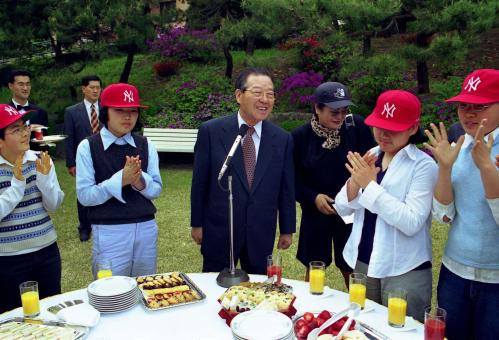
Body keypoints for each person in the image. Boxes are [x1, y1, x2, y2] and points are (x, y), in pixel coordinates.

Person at [335, 90, 437, 322]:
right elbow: (343, 205)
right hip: (364, 258)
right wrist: (355, 182)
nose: (384, 133)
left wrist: (370, 186)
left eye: (394, 127)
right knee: (362, 324)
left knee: (401, 329)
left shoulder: (423, 166)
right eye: (380, 125)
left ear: (413, 128)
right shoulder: (372, 153)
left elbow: (411, 222)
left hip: (404, 266)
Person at [190, 67, 296, 274]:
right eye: (257, 93)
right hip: (219, 229)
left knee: (257, 293)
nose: (265, 99)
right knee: (215, 288)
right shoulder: (211, 131)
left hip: (261, 231)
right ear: (239, 95)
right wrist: (197, 223)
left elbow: (286, 187)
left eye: (270, 94)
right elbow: (199, 182)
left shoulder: (282, 139)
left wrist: (287, 228)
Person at [425, 68, 499, 340]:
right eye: (463, 106)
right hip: (455, 270)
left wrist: (488, 171)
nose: (469, 113)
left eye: (480, 106)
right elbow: (443, 217)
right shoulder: (460, 144)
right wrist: (444, 168)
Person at [292, 82, 374, 287]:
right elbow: (292, 178)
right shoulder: (300, 137)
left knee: (350, 265)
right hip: (316, 210)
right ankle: (310, 311)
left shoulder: (356, 127)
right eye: (334, 112)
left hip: (351, 209)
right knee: (315, 266)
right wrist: (312, 197)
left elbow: (371, 163)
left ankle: (358, 310)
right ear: (317, 109)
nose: (340, 117)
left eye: (344, 111)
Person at [76, 83, 162, 277]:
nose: (127, 116)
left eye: (133, 111)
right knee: (111, 293)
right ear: (106, 112)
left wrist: (138, 179)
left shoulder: (146, 144)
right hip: (109, 230)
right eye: (120, 110)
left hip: (146, 227)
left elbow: (156, 189)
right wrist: (120, 180)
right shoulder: (88, 146)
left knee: (146, 286)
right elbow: (85, 196)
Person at [0, 104, 64, 313]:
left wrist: (44, 178)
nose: (25, 133)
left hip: (46, 251)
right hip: (8, 259)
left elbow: (53, 205)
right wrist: (17, 185)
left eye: (24, 126)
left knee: (51, 312)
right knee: (14, 318)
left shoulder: (40, 160)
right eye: (15, 130)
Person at [64, 75, 103, 242]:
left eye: (98, 87)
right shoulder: (72, 111)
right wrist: (71, 163)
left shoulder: (108, 109)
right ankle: (85, 227)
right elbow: (69, 138)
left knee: (104, 190)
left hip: (104, 158)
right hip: (83, 160)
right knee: (84, 193)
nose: (95, 90)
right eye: (92, 87)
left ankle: (102, 222)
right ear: (83, 89)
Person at [8, 69, 49, 152]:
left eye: (28, 84)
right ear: (11, 86)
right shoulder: (4, 112)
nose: (25, 88)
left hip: (36, 160)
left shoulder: (41, 112)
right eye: (21, 84)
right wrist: (28, 129)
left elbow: (45, 142)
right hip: (12, 160)